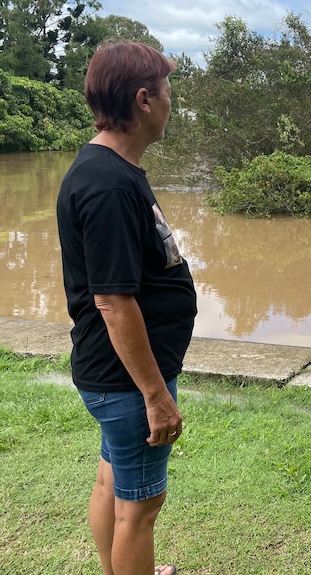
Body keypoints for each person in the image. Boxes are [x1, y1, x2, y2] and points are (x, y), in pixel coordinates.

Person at [56, 40, 197, 575]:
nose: (170, 104)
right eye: (167, 94)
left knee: (113, 482)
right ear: (143, 99)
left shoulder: (110, 170)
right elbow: (114, 303)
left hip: (116, 377)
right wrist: (156, 397)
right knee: (140, 507)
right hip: (128, 381)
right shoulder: (109, 185)